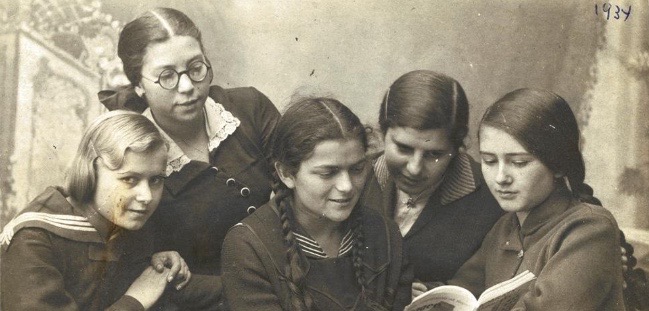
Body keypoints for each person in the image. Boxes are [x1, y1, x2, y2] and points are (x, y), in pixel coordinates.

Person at [98, 7, 280, 280]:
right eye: (167, 76)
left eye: (195, 68)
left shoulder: (249, 108)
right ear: (138, 85)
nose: (186, 87)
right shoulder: (131, 152)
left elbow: (299, 185)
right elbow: (142, 265)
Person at [0, 111, 219, 310]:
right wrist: (136, 300)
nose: (146, 197)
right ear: (91, 171)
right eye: (129, 179)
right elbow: (140, 293)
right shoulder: (34, 239)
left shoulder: (121, 220)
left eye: (156, 180)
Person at [221, 98, 412, 310]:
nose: (347, 186)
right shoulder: (249, 245)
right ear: (286, 173)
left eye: (357, 169)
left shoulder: (385, 233)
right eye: (328, 173)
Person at [446, 88, 625, 310]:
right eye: (490, 161)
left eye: (519, 163)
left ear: (558, 164)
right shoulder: (504, 228)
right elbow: (460, 291)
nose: (501, 178)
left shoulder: (590, 228)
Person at [360, 70, 504, 294]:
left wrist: (437, 292)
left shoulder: (492, 197)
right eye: (403, 148)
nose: (414, 168)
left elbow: (491, 279)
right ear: (383, 133)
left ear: (457, 148)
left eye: (434, 154)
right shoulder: (354, 178)